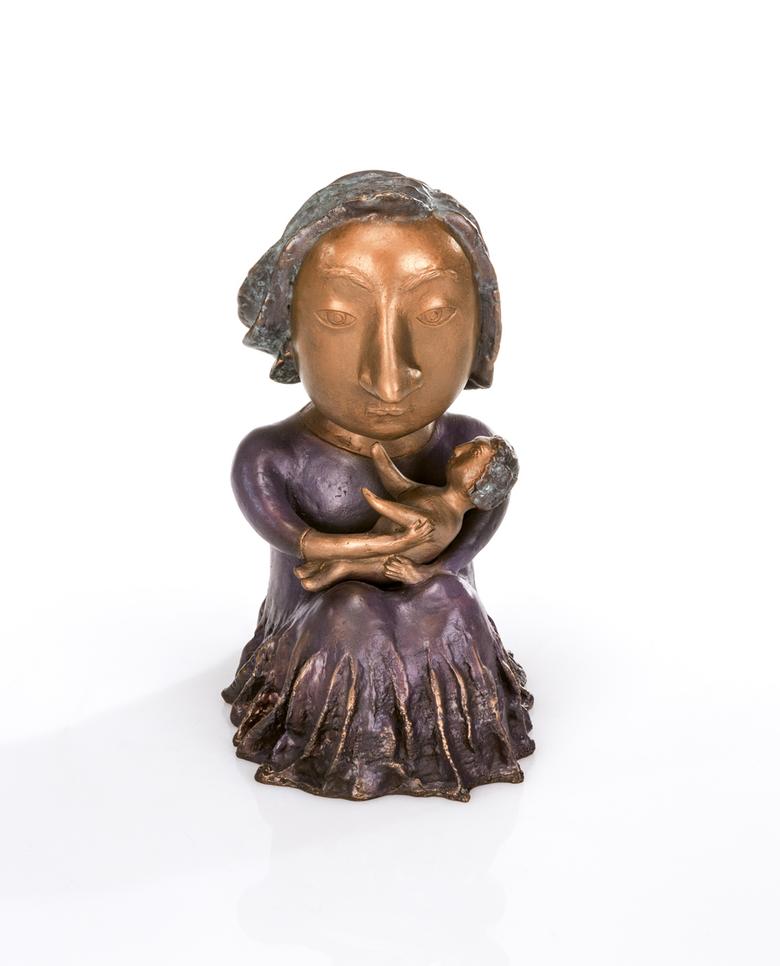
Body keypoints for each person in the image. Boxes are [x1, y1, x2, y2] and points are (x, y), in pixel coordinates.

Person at [223, 170, 534, 802]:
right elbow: (303, 547)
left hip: (434, 602)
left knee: (451, 602)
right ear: (289, 330)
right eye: (339, 316)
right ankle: (334, 741)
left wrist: (433, 567)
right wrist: (364, 554)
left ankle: (451, 736)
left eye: (436, 314)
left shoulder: (468, 445)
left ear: (483, 328)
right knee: (350, 614)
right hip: (320, 621)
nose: (389, 378)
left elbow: (467, 544)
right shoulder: (272, 458)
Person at [293, 435, 519, 592]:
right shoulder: (433, 493)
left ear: (482, 481)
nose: (458, 449)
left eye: (473, 452)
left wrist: (378, 503)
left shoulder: (448, 521)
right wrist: (379, 455)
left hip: (387, 562)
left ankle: (331, 572)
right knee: (352, 551)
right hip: (378, 539)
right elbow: (402, 487)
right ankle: (321, 564)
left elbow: (417, 520)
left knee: (346, 565)